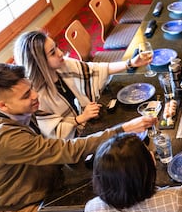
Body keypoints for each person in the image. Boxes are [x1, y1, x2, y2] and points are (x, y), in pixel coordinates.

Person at [0, 63, 155, 212]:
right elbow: (67, 150)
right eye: (26, 95)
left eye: (31, 88)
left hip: (51, 177)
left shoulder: (14, 110)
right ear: (2, 106)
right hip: (25, 208)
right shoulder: (2, 137)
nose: (35, 95)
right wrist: (122, 129)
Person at [13, 30, 151, 139]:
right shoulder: (37, 96)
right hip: (74, 142)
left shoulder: (63, 65)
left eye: (57, 47)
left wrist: (131, 63)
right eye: (53, 53)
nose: (61, 53)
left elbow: (96, 69)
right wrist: (81, 118)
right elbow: (54, 133)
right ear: (39, 62)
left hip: (86, 123)